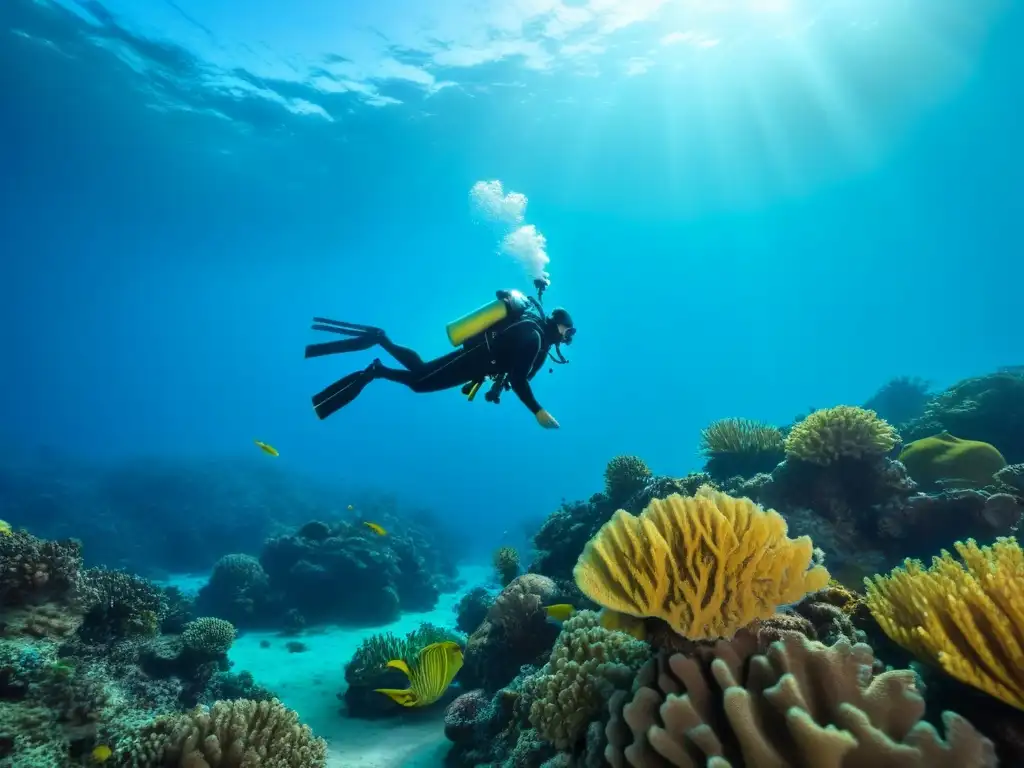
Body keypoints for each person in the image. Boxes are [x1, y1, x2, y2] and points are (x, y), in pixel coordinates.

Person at [305, 296, 575, 429]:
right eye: (568, 331)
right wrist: (538, 411)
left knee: (421, 372)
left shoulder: (533, 331)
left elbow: (513, 372)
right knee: (420, 383)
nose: (567, 338)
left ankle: (381, 344)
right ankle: (378, 365)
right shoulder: (535, 336)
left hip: (477, 359)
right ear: (558, 325)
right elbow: (517, 379)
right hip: (476, 360)